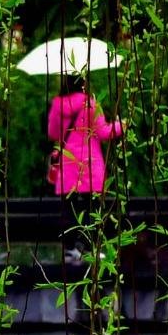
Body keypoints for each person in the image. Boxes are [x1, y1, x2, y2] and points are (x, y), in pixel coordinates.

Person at [47, 76, 125, 259]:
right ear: (83, 84)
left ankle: (69, 249)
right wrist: (121, 125)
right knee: (93, 208)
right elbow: (104, 132)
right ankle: (90, 249)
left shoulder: (57, 104)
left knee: (69, 209)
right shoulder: (90, 104)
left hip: (68, 163)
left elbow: (52, 133)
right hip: (90, 164)